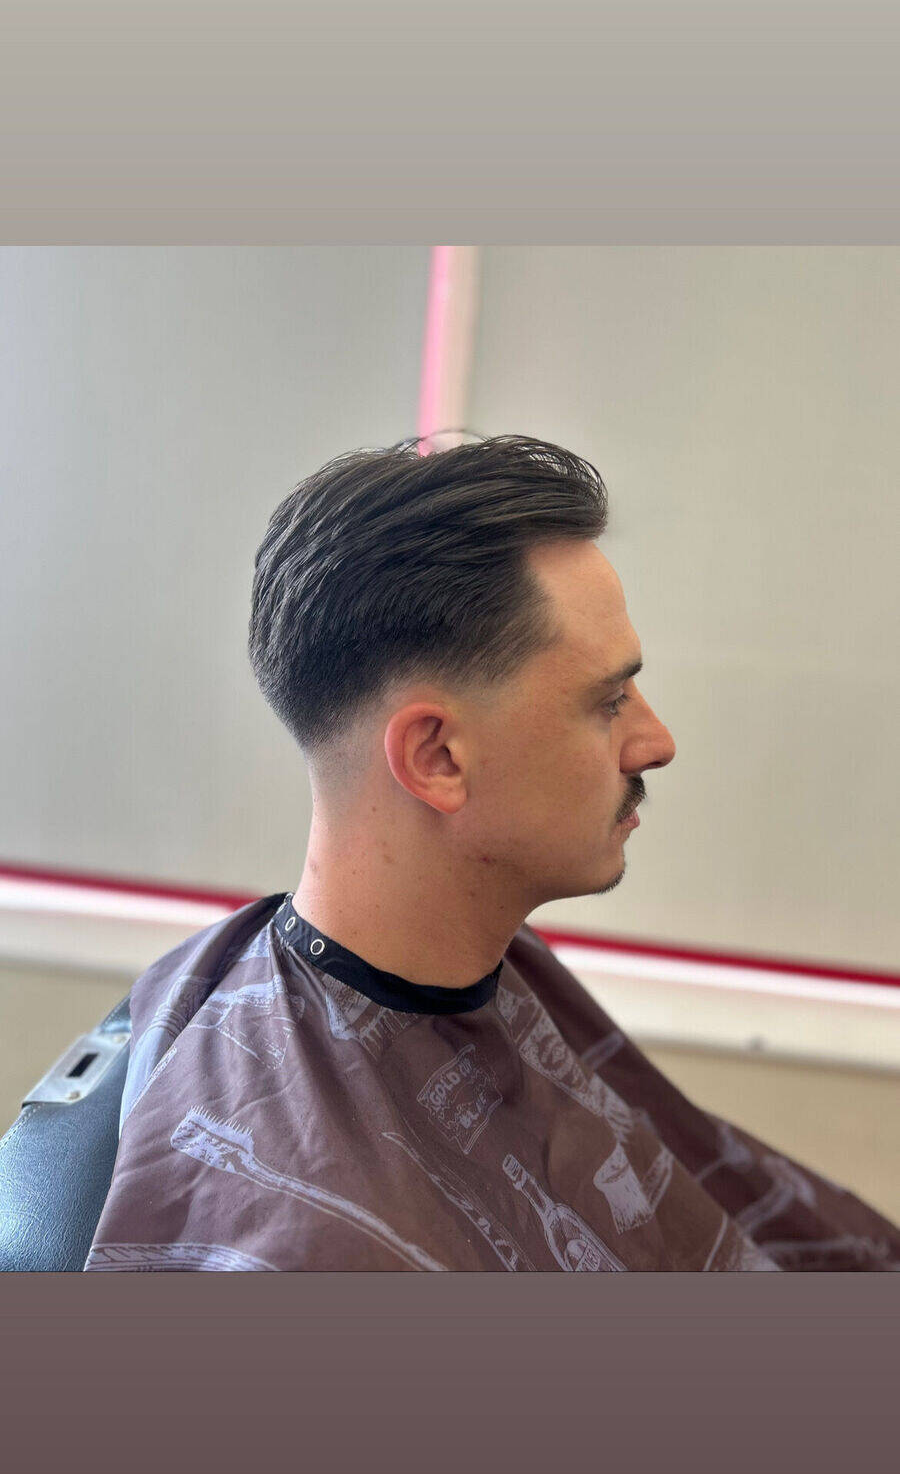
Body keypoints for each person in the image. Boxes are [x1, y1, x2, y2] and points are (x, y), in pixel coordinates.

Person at [84, 433, 899, 1271]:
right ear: (437, 757)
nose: (656, 742)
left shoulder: (486, 966)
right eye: (608, 701)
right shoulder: (316, 1249)